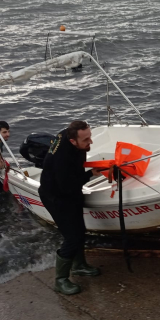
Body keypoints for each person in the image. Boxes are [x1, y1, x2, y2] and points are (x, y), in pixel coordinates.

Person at [38, 120, 101, 295]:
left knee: (80, 230)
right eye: (86, 140)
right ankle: (61, 280)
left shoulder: (67, 133)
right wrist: (90, 174)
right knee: (72, 237)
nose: (91, 142)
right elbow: (67, 186)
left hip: (70, 192)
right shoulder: (62, 158)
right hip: (56, 196)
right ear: (73, 141)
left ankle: (79, 265)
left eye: (90, 137)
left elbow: (73, 180)